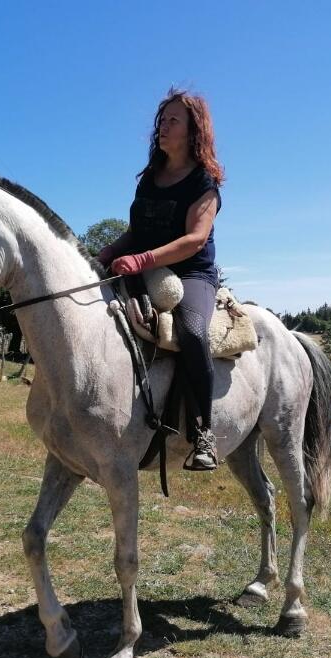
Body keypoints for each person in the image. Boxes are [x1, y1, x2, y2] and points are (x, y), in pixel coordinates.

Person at [97, 89, 224, 471]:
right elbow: (135, 232)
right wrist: (103, 256)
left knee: (193, 330)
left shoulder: (204, 182)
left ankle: (204, 432)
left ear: (193, 131)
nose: (162, 127)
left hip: (191, 272)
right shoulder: (150, 178)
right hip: (144, 267)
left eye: (173, 121)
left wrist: (142, 259)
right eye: (161, 120)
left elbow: (195, 240)